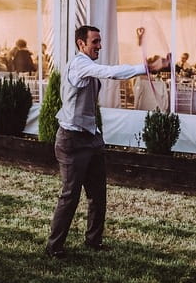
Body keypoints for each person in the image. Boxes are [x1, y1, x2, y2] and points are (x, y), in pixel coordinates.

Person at [45, 25, 151, 259]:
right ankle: (54, 247)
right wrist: (146, 68)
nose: (99, 46)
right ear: (81, 44)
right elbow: (110, 72)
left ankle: (94, 241)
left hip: (91, 137)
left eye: (100, 41)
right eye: (95, 42)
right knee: (70, 195)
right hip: (71, 140)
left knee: (98, 194)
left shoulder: (88, 65)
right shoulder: (80, 64)